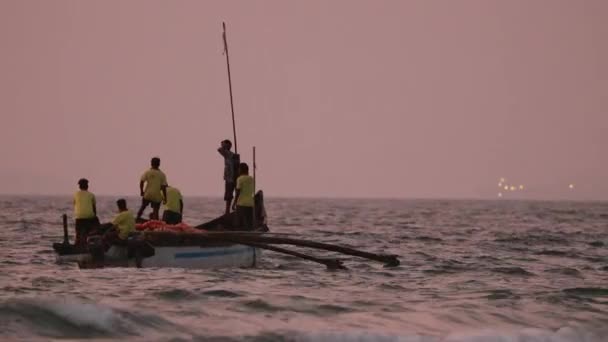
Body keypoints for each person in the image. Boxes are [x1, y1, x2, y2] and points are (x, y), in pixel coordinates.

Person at [73, 178, 100, 248]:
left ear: (79, 186)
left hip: (78, 217)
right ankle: (91, 242)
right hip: (89, 217)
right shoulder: (91, 195)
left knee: (78, 233)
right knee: (94, 226)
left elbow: (75, 205)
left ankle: (78, 244)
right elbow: (94, 209)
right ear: (87, 186)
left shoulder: (75, 194)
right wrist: (94, 216)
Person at [232, 162, 255, 231]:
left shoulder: (239, 179)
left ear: (241, 170)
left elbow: (238, 193)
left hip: (241, 204)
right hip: (250, 204)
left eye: (239, 169)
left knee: (239, 224)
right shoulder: (251, 179)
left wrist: (234, 203)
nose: (238, 171)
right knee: (249, 224)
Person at [217, 139, 236, 216]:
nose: (222, 145)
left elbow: (219, 149)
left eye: (223, 144)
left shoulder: (228, 154)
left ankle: (227, 211)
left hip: (230, 177)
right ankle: (227, 211)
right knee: (229, 194)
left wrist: (223, 145)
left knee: (228, 195)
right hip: (231, 177)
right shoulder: (230, 154)